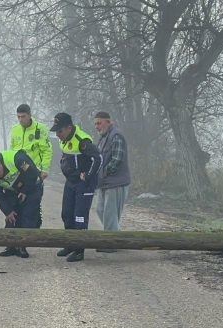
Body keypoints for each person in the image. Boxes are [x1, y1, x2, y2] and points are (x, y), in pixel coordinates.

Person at [50, 112, 101, 262]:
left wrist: (88, 176)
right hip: (70, 182)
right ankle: (70, 244)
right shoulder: (63, 139)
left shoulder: (82, 140)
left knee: (79, 216)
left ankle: (79, 250)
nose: (57, 134)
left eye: (59, 131)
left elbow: (98, 159)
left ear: (69, 127)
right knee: (66, 214)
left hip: (84, 184)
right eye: (56, 131)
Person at [0, 149, 44, 258]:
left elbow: (33, 173)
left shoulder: (17, 159)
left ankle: (22, 246)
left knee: (28, 215)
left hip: (32, 185)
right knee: (12, 216)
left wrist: (25, 190)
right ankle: (10, 246)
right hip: (13, 189)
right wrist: (8, 211)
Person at [93, 111, 132, 251]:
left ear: (108, 122)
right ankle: (117, 239)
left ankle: (111, 244)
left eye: (99, 123)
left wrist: (101, 173)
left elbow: (116, 160)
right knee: (100, 210)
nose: (97, 126)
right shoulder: (103, 138)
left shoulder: (116, 136)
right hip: (105, 183)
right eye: (95, 124)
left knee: (109, 214)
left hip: (116, 183)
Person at [10, 104, 52, 181]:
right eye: (18, 117)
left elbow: (46, 150)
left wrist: (45, 169)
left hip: (34, 170)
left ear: (30, 115)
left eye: (23, 116)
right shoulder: (14, 129)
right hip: (18, 170)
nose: (20, 119)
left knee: (33, 192)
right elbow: (12, 149)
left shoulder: (40, 128)